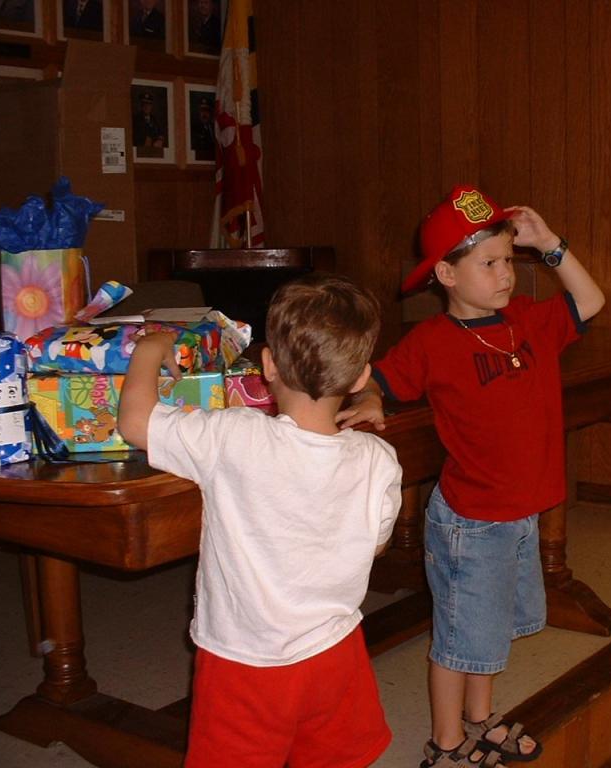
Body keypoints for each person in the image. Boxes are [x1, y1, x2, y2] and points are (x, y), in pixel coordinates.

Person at [338, 185, 606, 767]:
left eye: (509, 260)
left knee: (491, 632)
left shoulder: (529, 323)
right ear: (447, 274)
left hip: (520, 514)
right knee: (459, 641)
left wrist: (552, 246)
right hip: (474, 523)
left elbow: (591, 300)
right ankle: (447, 744)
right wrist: (377, 401)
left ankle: (480, 719)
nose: (506, 274)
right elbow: (380, 379)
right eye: (488, 263)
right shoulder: (431, 341)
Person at [118, 273, 403, 768]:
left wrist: (149, 349)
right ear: (360, 379)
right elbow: (374, 547)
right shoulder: (379, 459)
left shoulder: (235, 436)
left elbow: (136, 422)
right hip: (336, 652)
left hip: (243, 662)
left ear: (267, 364)